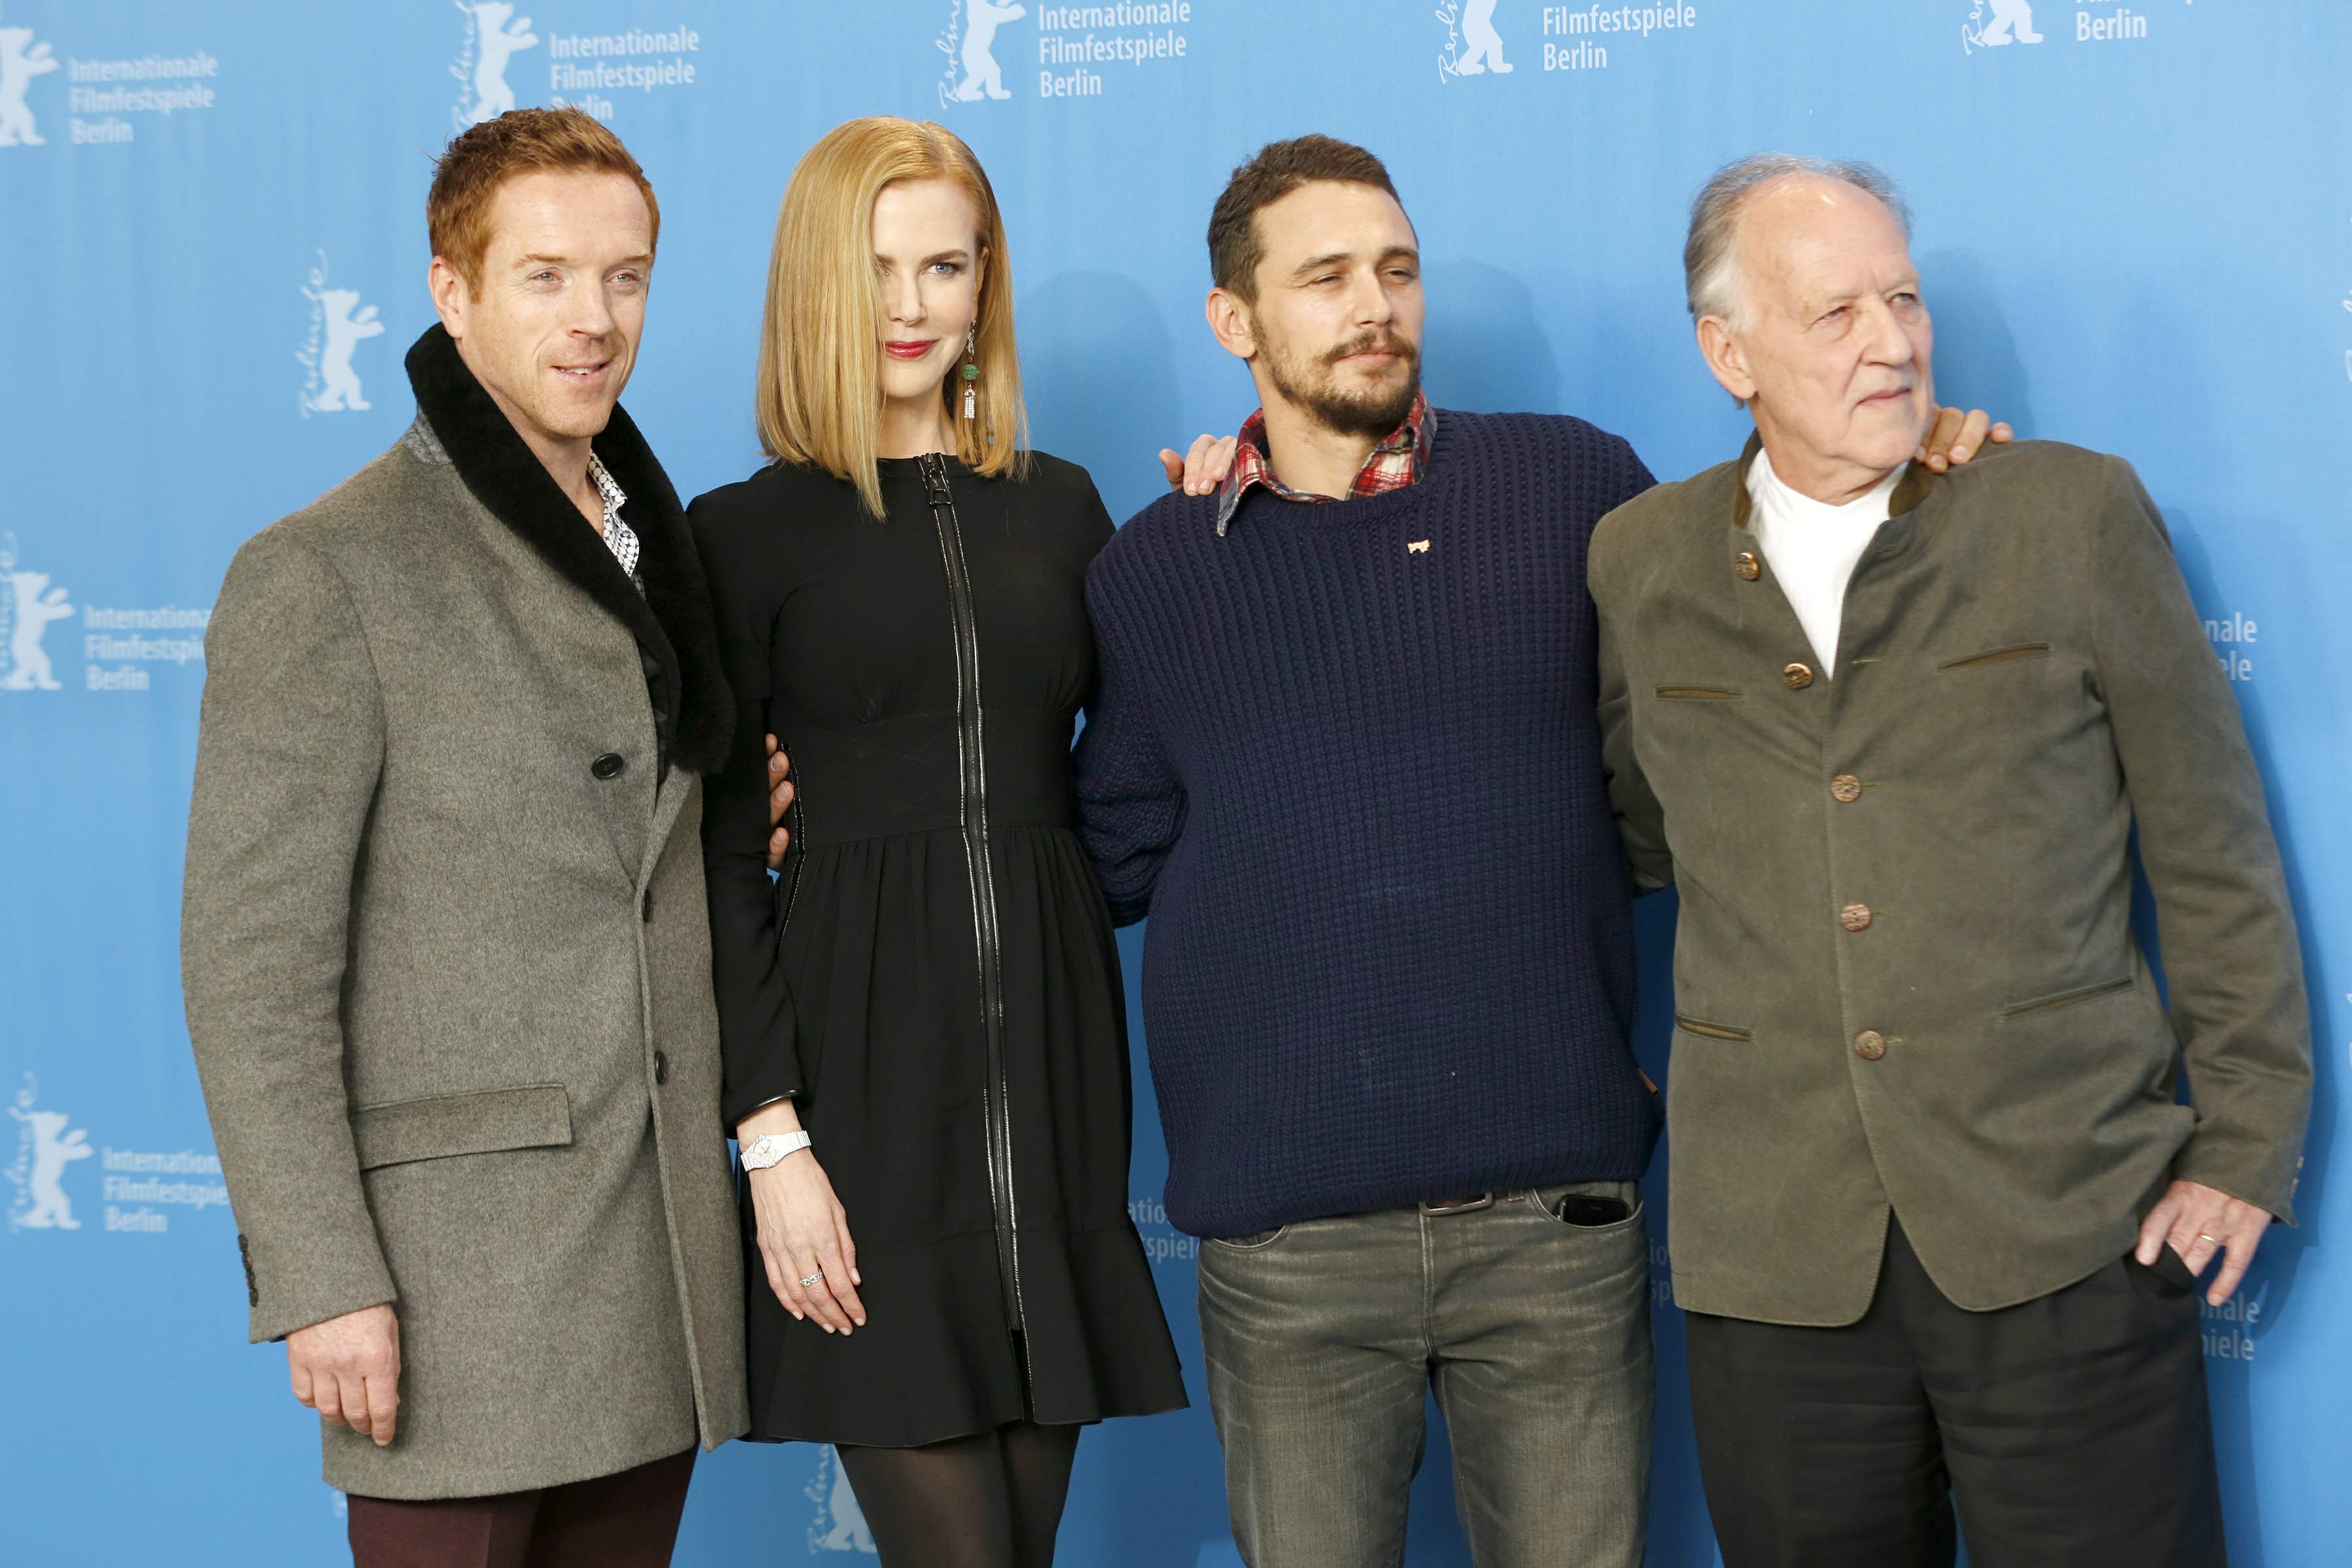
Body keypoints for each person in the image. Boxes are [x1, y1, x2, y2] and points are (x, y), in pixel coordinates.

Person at [1079, 135, 2002, 1568]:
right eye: (1325, 278)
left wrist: (1912, 469)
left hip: (1553, 1222)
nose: (1375, 305)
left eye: (1397, 269)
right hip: (1289, 1248)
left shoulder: (1573, 488)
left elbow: (1746, 679)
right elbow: (1107, 854)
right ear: (1234, 320)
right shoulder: (1156, 567)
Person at [1590, 154, 2313, 1567]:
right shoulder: (1640, 561)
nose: (1893, 341)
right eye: (1836, 313)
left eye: (1904, 299)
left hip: (2066, 1227)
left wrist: (2244, 1145)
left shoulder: (2067, 515)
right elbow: (1637, 833)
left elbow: (2214, 851)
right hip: (1775, 1257)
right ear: (1728, 355)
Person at [180, 108, 746, 1567]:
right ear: (453, 290)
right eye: (546, 276)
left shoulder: (657, 546)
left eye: (624, 277)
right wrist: (321, 1277)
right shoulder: (328, 570)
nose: (594, 318)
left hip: (654, 1263)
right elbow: (252, 968)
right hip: (454, 1290)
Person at [690, 116, 1186, 1568]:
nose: (910, 305)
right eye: (875, 268)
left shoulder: (1067, 506)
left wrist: (1231, 510)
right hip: (859, 1086)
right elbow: (712, 864)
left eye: (944, 267)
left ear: (984, 285)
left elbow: (1155, 752)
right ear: (813, 284)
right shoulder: (740, 534)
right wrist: (772, 1142)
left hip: (1054, 1071)